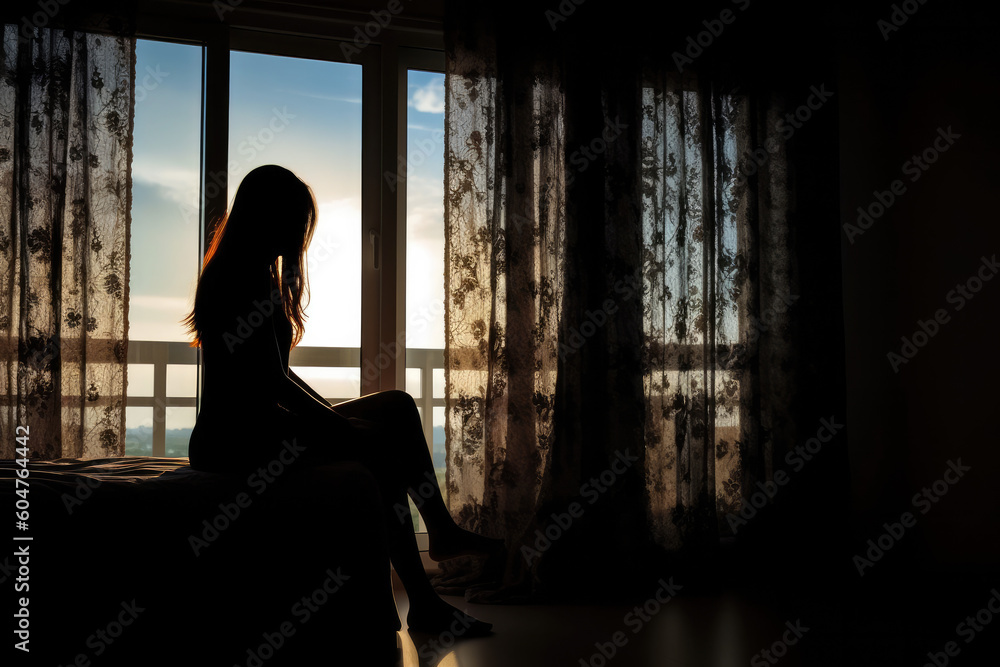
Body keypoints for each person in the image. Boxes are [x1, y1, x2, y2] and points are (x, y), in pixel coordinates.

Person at [184, 164, 500, 635]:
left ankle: (440, 529)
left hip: (259, 423)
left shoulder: (255, 273)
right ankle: (427, 604)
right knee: (374, 445)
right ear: (266, 217)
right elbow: (272, 382)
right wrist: (335, 425)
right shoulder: (235, 277)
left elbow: (279, 373)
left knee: (396, 406)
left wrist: (331, 417)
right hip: (232, 439)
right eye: (292, 219)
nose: (298, 233)